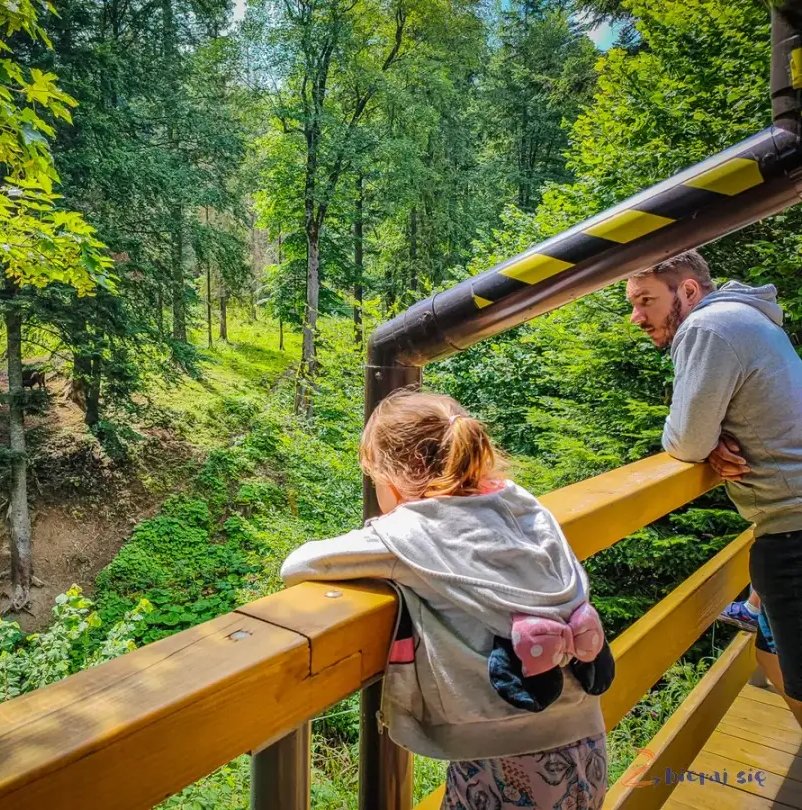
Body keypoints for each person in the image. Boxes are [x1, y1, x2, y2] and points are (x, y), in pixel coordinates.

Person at [281, 391, 609, 810]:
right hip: (586, 737)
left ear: (393, 480)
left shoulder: (410, 534)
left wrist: (385, 532)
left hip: (504, 755)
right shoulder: (518, 504)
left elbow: (299, 564)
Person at [626, 250, 802, 726]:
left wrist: (704, 440)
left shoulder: (709, 328)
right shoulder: (747, 318)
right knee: (767, 648)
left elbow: (685, 440)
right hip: (783, 527)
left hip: (793, 533)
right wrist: (714, 437)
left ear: (687, 291)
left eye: (646, 301)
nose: (637, 317)